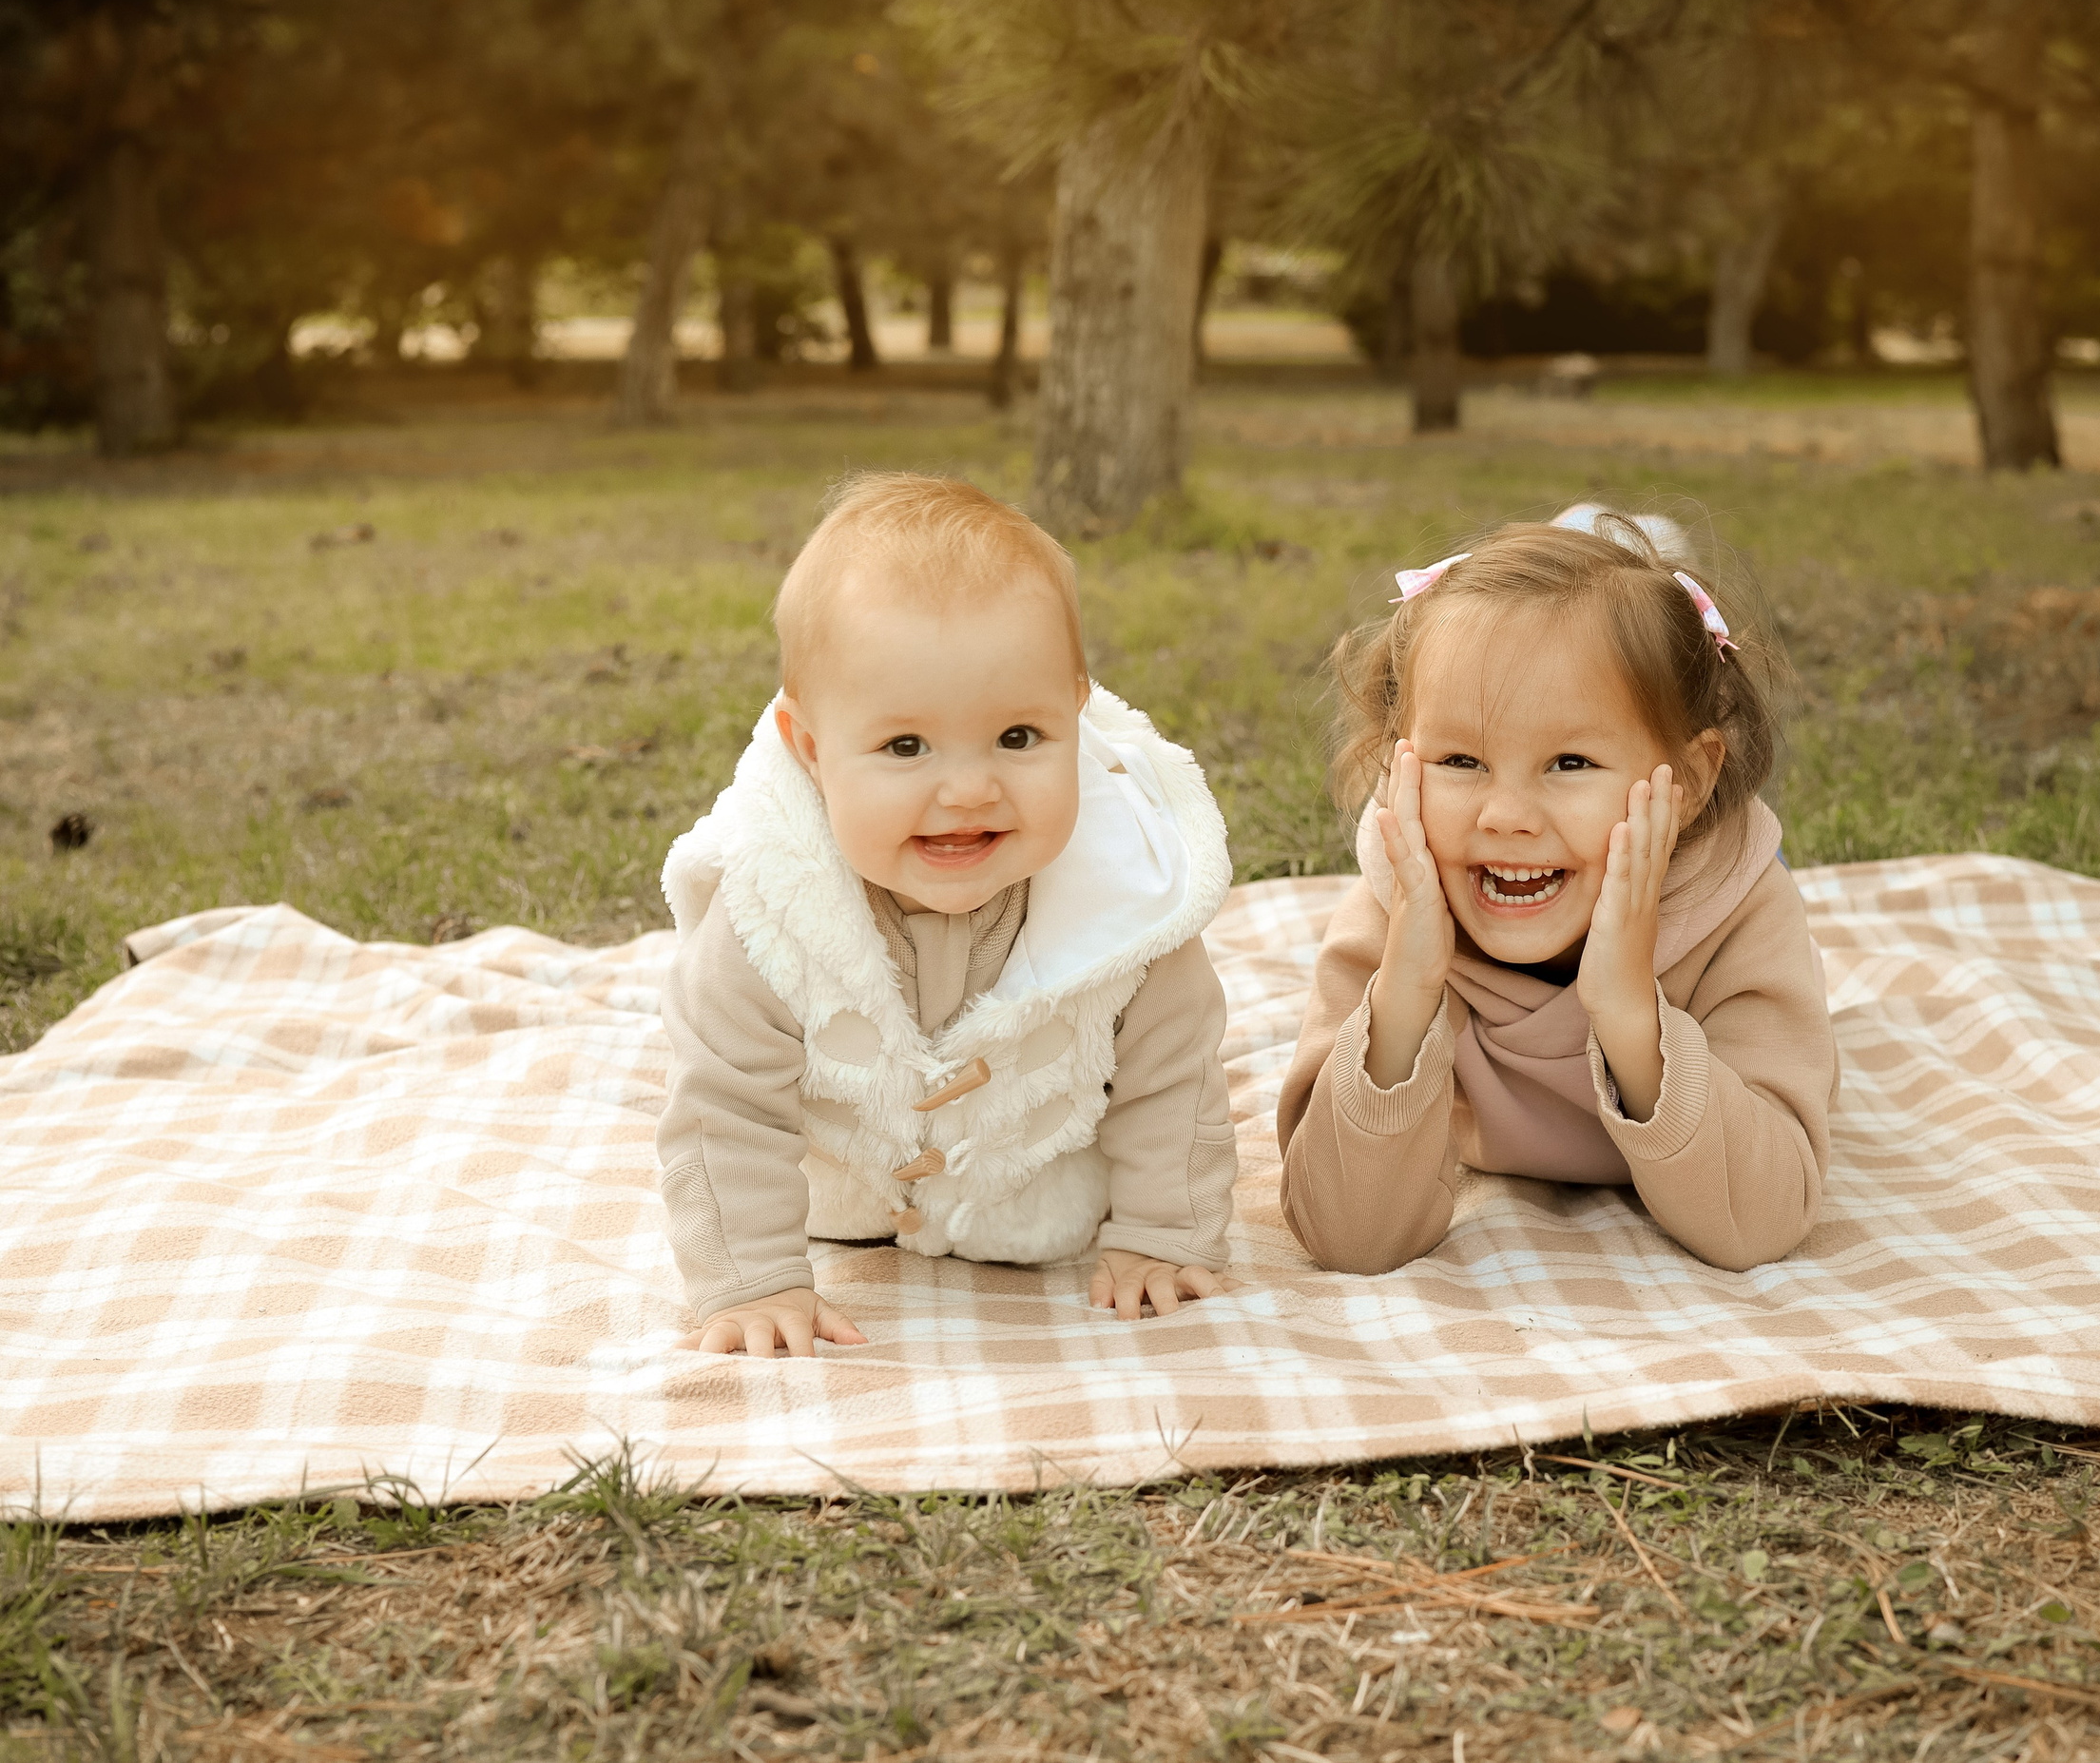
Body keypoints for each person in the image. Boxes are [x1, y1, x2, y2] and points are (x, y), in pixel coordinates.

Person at [658, 473, 1238, 1356]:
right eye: (904, 747)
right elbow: (725, 1108)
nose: (967, 790)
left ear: (1076, 716)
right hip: (839, 1199)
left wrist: (1162, 1233)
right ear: (811, 751)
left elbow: (1176, 1078)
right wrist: (752, 1283)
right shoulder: (770, 914)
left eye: (1017, 738)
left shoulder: (1133, 906)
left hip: (1040, 1199)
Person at [1277, 504, 1836, 1275]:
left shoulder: (1738, 919)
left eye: (1569, 763)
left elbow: (1765, 1220)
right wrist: (1406, 993)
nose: (1506, 818)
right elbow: (1348, 1238)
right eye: (1461, 763)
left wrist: (1632, 1016)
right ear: (1397, 760)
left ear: (1692, 780)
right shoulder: (1396, 914)